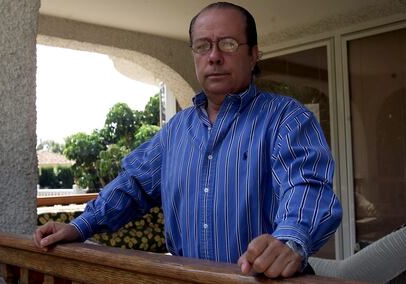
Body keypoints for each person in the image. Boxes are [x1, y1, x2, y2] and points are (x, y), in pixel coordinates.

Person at [34, 2, 342, 278]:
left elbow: (306, 186)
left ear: (254, 54)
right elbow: (132, 186)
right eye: (202, 46)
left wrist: (289, 240)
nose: (214, 57)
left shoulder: (286, 119)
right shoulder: (174, 132)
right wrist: (80, 226)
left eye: (229, 44)